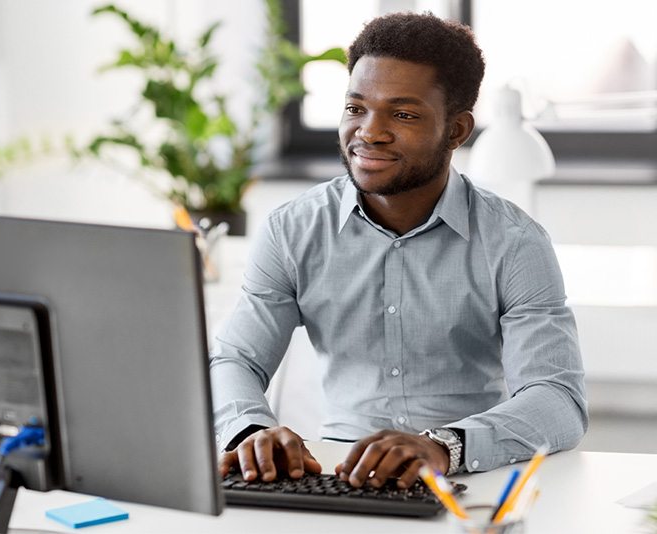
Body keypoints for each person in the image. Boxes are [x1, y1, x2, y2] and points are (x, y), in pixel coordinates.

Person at [210, 11, 587, 490]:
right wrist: (250, 430)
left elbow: (558, 399)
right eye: (355, 108)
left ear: (457, 130)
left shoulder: (514, 242)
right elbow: (236, 358)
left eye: (403, 114)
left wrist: (443, 446)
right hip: (333, 474)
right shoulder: (292, 229)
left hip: (467, 476)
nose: (369, 131)